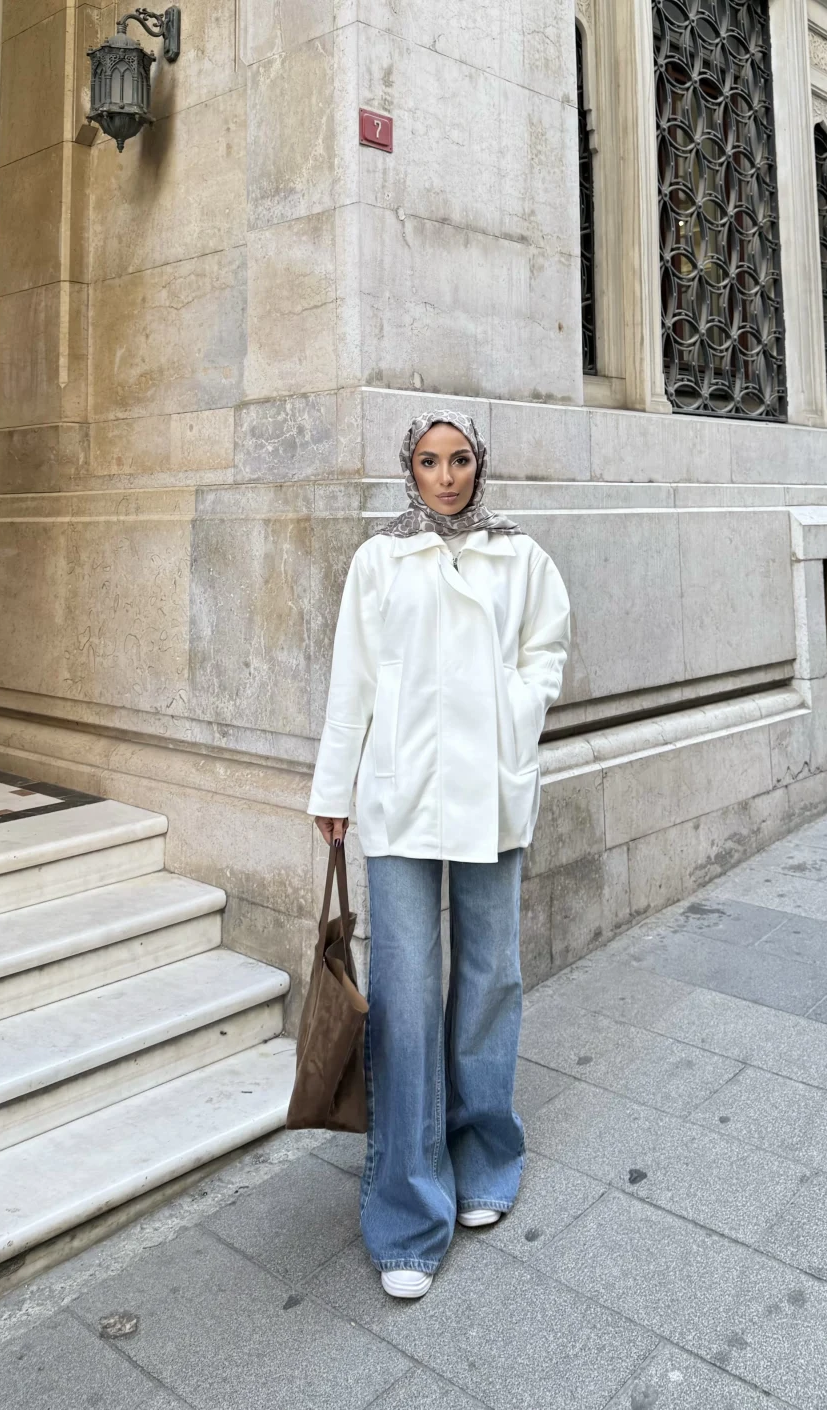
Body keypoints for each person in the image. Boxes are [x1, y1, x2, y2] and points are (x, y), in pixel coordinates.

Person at [308, 410, 571, 1299]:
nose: (447, 476)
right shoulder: (380, 560)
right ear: (410, 468)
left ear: (478, 465)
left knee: (491, 974)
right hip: (403, 792)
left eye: (460, 460)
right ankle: (408, 1210)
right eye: (430, 460)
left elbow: (547, 650)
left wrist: (515, 712)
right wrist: (334, 790)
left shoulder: (521, 557)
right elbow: (351, 679)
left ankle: (486, 1155)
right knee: (407, 995)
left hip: (490, 790)